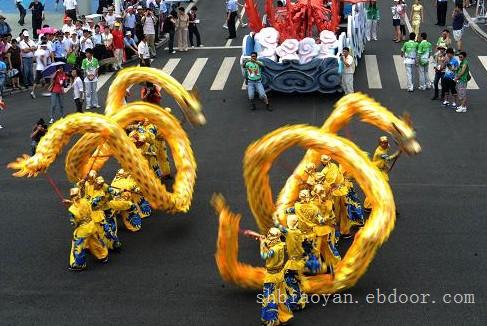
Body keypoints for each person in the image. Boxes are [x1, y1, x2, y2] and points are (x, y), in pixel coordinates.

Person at [66, 187, 109, 271]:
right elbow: (84, 206)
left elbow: (74, 224)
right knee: (95, 240)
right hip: (91, 225)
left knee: (77, 244)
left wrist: (71, 208)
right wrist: (71, 204)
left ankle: (78, 263)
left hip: (82, 229)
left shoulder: (72, 210)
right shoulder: (85, 201)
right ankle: (103, 255)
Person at [259, 227, 294, 326]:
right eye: (268, 233)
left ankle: (272, 320)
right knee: (281, 296)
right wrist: (264, 239)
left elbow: (264, 256)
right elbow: (270, 244)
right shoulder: (281, 245)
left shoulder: (274, 249)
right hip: (280, 274)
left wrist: (262, 244)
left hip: (272, 276)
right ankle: (284, 316)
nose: (269, 236)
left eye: (271, 235)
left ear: (276, 237)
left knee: (269, 297)